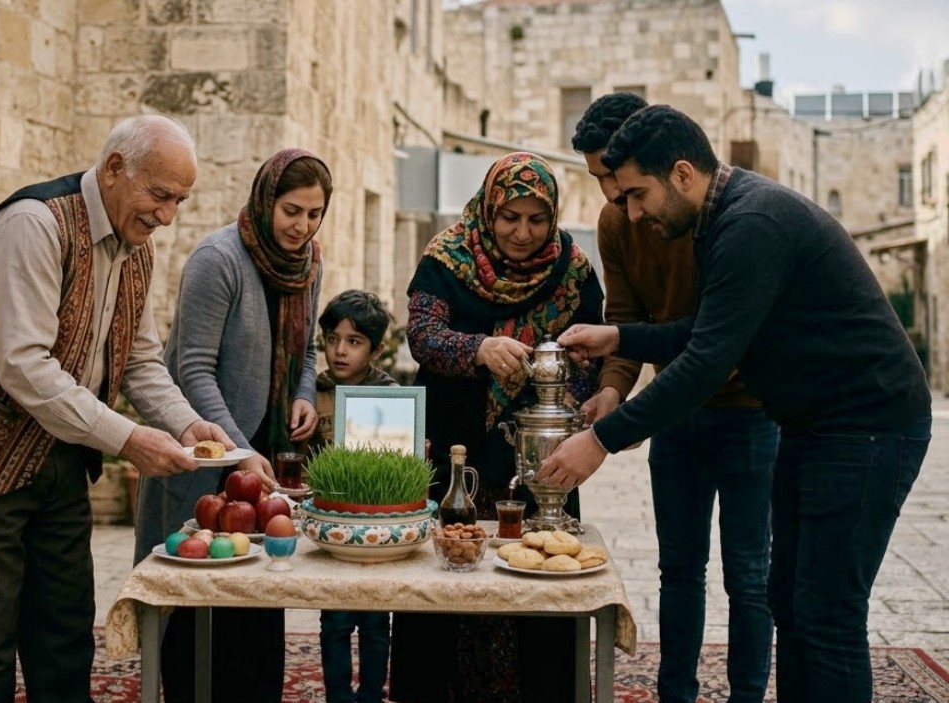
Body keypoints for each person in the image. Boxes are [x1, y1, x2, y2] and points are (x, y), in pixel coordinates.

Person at [541, 105, 932, 703]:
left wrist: (599, 440)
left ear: (682, 173)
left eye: (640, 194)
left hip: (867, 428)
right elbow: (710, 329)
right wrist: (621, 337)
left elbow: (705, 362)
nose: (634, 212)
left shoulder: (751, 222)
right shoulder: (725, 217)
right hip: (812, 427)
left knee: (827, 614)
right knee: (790, 603)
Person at [0, 114, 232, 702]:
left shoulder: (137, 249)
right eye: (159, 195)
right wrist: (131, 440)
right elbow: (26, 368)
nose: (167, 216)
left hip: (59, 461)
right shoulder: (32, 224)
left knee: (63, 641)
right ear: (113, 169)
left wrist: (187, 424)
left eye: (179, 201)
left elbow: (138, 362)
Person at [571, 93, 778, 703]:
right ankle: (675, 693)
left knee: (749, 574)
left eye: (617, 179)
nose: (612, 198)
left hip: (749, 414)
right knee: (679, 572)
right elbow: (629, 321)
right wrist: (612, 391)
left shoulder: (719, 218)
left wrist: (617, 429)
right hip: (677, 419)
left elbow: (716, 347)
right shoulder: (617, 224)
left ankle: (746, 694)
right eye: (602, 181)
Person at [390, 151, 604, 703]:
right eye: (510, 217)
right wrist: (479, 348)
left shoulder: (573, 270)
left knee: (537, 573)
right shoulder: (447, 257)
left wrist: (568, 409)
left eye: (537, 219)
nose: (523, 233)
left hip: (536, 461)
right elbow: (422, 336)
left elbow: (591, 354)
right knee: (445, 574)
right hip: (454, 451)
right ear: (490, 210)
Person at [134, 147, 330, 702]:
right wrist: (238, 449)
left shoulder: (308, 262)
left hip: (263, 461)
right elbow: (192, 370)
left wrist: (302, 394)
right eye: (292, 210)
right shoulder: (216, 259)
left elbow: (307, 347)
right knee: (196, 606)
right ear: (266, 200)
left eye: (315, 213)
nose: (303, 225)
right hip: (207, 456)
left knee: (258, 599)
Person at [310, 289, 397, 703]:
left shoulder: (390, 393)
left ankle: (370, 696)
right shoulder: (311, 393)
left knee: (377, 621)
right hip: (334, 529)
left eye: (354, 342)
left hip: (378, 528)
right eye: (331, 339)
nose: (339, 351)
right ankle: (339, 697)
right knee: (336, 620)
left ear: (375, 350)